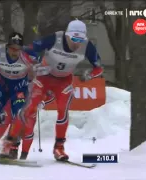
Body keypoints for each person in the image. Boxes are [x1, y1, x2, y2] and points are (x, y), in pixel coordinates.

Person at [19, 19, 104, 161]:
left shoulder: (87, 46)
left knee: (63, 110)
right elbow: (27, 50)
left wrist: (89, 75)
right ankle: (15, 143)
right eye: (74, 38)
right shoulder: (55, 38)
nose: (76, 43)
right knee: (31, 108)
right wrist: (30, 66)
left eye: (80, 39)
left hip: (64, 81)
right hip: (43, 77)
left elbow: (99, 67)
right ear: (66, 35)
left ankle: (59, 148)